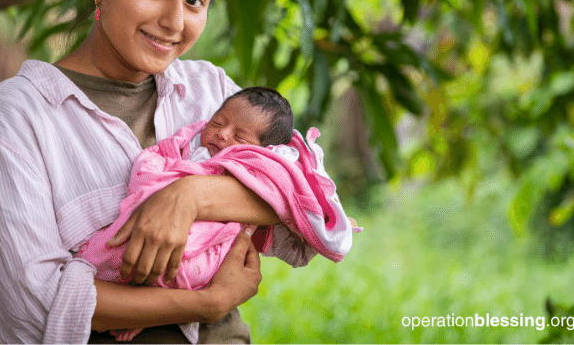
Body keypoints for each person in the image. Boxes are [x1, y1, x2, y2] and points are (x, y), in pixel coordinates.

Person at [0, 0, 325, 344]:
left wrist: (189, 196)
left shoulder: (211, 93)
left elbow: (310, 198)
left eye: (195, 0)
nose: (174, 21)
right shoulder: (21, 115)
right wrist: (208, 302)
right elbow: (31, 302)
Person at [77, 87, 361, 342]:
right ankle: (132, 301)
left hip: (206, 258)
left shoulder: (260, 170)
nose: (223, 134)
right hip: (155, 230)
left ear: (264, 151)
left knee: (180, 270)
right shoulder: (190, 148)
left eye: (239, 136)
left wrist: (321, 227)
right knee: (119, 254)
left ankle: (144, 308)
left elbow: (287, 206)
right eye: (218, 122)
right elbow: (155, 165)